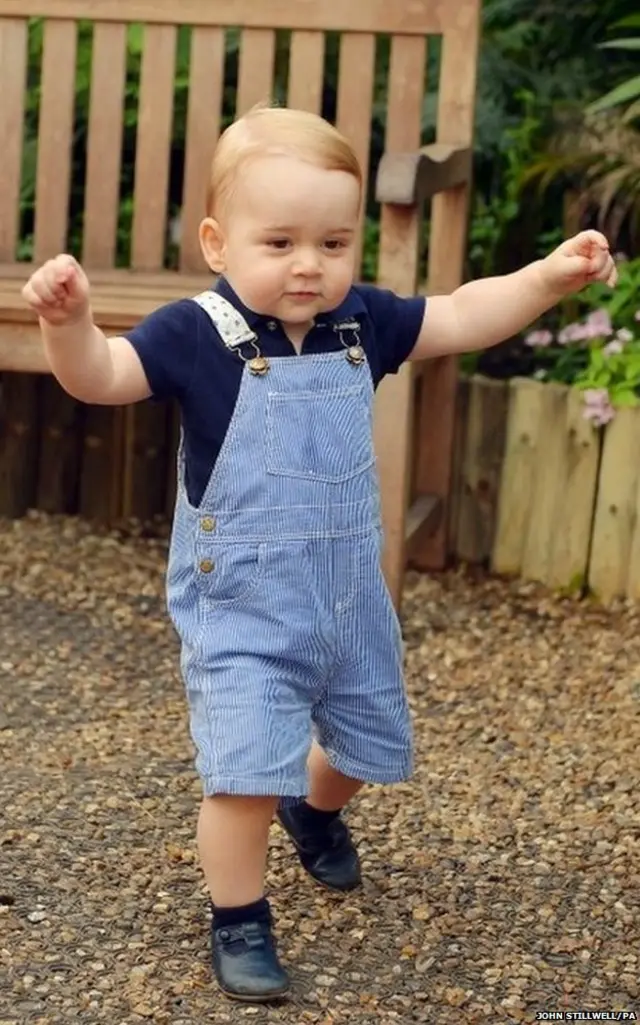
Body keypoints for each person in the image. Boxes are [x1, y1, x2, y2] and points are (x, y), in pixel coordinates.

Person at [22, 105, 617, 1004]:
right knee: (243, 777)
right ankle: (239, 918)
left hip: (346, 596)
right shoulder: (195, 333)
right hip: (242, 605)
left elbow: (460, 314)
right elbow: (100, 376)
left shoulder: (359, 322)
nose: (310, 265)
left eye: (334, 243)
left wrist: (544, 277)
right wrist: (68, 324)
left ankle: (315, 808)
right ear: (217, 243)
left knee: (366, 745)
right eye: (281, 243)